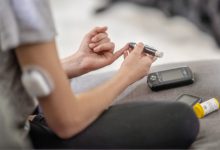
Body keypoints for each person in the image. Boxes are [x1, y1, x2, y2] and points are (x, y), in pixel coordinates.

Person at [0, 0, 199, 149]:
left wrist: (76, 62)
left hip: (12, 110)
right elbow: (67, 121)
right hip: (16, 133)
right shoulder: (23, 6)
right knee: (181, 118)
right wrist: (126, 75)